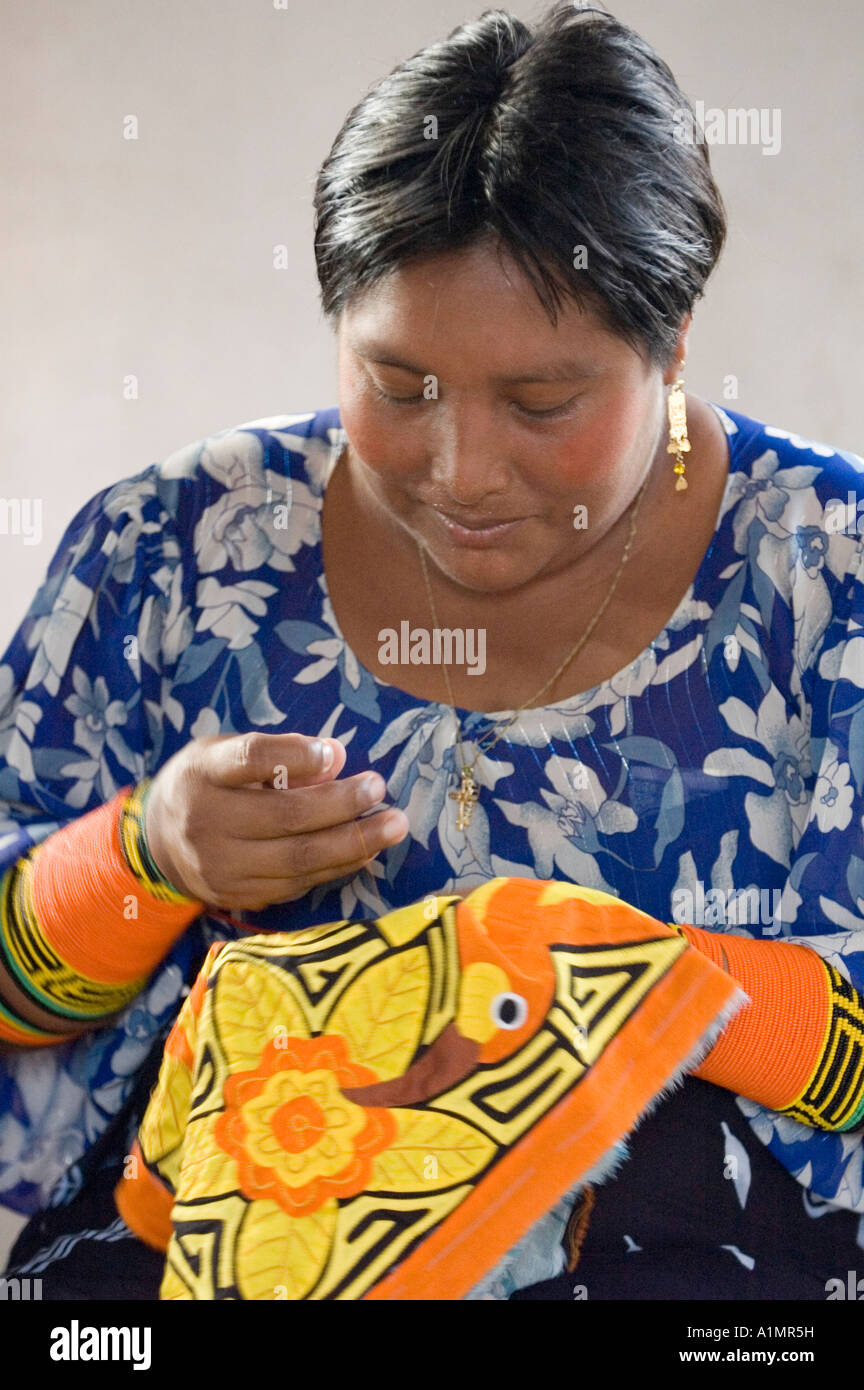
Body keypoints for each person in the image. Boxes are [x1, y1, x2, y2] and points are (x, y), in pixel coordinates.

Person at [1, 2, 863, 1300]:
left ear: (674, 346)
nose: (462, 472)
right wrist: (143, 853)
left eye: (543, 402)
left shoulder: (829, 579)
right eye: (398, 386)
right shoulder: (173, 553)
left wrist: (622, 970)